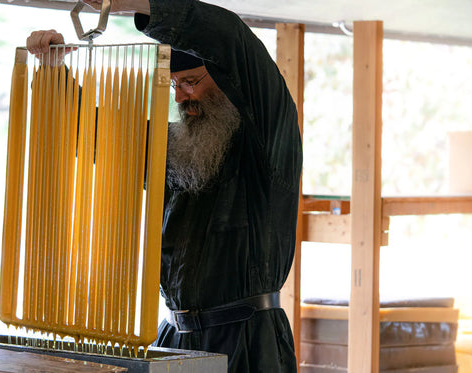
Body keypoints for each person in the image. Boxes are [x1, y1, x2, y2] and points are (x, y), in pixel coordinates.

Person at [26, 0, 302, 371]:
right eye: (174, 85)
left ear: (228, 81)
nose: (180, 97)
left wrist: (132, 2)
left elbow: (233, 39)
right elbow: (100, 138)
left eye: (190, 82)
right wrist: (54, 66)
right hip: (172, 339)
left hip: (247, 344)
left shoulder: (267, 140)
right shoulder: (179, 149)